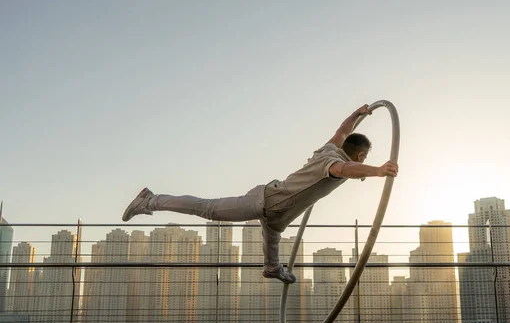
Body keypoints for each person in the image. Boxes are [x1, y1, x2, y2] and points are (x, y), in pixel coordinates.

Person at [121, 104, 398, 284]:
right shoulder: (332, 162)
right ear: (361, 155)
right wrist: (377, 170)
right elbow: (344, 168)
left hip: (280, 214)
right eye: (363, 160)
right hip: (267, 201)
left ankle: (272, 269)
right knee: (207, 208)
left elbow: (342, 130)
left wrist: (358, 114)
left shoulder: (328, 148)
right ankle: (150, 200)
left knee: (272, 246)